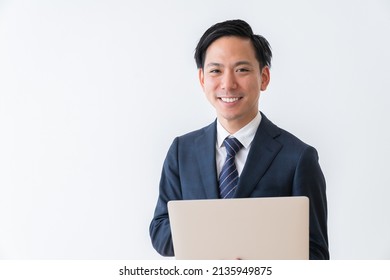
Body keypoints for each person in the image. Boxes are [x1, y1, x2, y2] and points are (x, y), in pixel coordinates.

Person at [149, 19, 329, 260]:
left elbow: (316, 254)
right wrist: (218, 240)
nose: (228, 84)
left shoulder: (298, 157)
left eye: (242, 70)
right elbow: (160, 230)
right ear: (202, 79)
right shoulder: (182, 151)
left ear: (264, 77)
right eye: (216, 71)